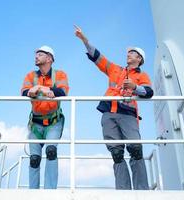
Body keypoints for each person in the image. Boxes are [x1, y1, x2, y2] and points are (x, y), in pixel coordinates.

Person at [74, 25, 153, 190]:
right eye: (128, 52)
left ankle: (142, 191)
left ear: (139, 59)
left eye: (132, 53)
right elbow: (98, 57)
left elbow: (148, 91)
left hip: (128, 115)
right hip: (109, 114)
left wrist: (134, 87)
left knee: (136, 149)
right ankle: (123, 191)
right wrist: (85, 41)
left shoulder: (142, 75)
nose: (128, 54)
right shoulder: (115, 69)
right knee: (116, 153)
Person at [21, 45, 69, 189]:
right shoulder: (30, 76)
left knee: (51, 151)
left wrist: (40, 89)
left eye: (40, 54)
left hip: (54, 121)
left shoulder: (60, 75)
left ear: (49, 58)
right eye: (36, 54)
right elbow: (24, 92)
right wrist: (32, 91)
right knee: (34, 159)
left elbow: (62, 91)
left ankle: (50, 193)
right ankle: (33, 193)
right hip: (36, 123)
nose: (36, 56)